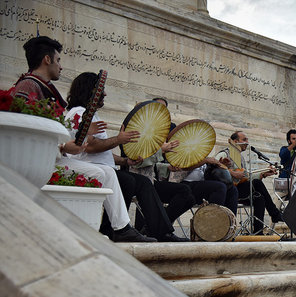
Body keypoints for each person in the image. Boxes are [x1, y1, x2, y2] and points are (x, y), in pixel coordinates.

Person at [13, 37, 153, 242]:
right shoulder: (28, 86)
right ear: (46, 59)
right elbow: (24, 131)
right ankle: (112, 229)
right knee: (103, 173)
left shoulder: (44, 88)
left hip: (53, 156)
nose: (61, 66)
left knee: (106, 173)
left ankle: (122, 228)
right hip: (39, 161)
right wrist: (63, 146)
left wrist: (71, 139)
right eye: (58, 60)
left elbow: (52, 130)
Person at [66, 72, 186, 242]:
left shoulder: (86, 113)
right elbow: (90, 146)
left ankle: (119, 230)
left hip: (101, 167)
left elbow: (101, 151)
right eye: (102, 90)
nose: (105, 94)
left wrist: (125, 161)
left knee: (134, 182)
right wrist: (118, 139)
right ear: (90, 91)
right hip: (90, 170)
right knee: (131, 181)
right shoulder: (80, 113)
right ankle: (127, 230)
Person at [128, 98, 195, 227]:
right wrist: (162, 151)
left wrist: (168, 167)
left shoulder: (152, 132)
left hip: (150, 180)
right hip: (138, 180)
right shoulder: (136, 131)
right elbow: (137, 160)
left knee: (189, 197)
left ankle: (158, 226)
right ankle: (161, 227)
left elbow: (151, 164)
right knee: (184, 191)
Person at [216, 131, 281, 234]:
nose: (247, 142)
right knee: (257, 184)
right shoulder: (224, 154)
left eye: (247, 140)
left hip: (240, 188)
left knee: (259, 197)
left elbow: (246, 176)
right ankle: (275, 213)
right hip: (228, 190)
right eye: (244, 140)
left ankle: (258, 232)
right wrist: (232, 173)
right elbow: (214, 168)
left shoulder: (240, 157)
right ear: (236, 141)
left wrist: (263, 174)